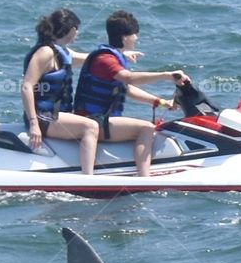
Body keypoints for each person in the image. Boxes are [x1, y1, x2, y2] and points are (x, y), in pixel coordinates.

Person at [74, 10, 189, 176]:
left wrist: (161, 102)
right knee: (146, 129)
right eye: (135, 34)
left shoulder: (111, 56)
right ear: (124, 37)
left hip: (100, 119)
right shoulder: (105, 60)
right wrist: (167, 75)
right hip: (93, 121)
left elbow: (125, 89)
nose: (137, 38)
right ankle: (144, 179)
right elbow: (129, 78)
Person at [21, 9, 101, 174]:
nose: (77, 34)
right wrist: (34, 125)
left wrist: (119, 55)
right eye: (77, 30)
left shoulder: (62, 51)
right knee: (90, 127)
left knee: (95, 120)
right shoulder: (45, 53)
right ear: (72, 30)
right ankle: (88, 179)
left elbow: (87, 58)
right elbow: (27, 86)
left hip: (54, 114)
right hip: (43, 117)